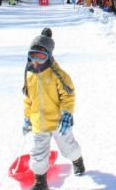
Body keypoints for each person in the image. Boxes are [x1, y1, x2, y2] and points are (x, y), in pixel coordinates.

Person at [22, 29, 84, 189]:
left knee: (68, 148)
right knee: (38, 153)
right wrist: (27, 117)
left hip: (57, 121)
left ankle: (77, 160)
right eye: (33, 55)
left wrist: (67, 113)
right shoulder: (29, 74)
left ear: (49, 56)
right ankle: (40, 182)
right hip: (39, 122)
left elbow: (68, 96)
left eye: (41, 56)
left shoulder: (58, 74)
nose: (36, 60)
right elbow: (29, 98)